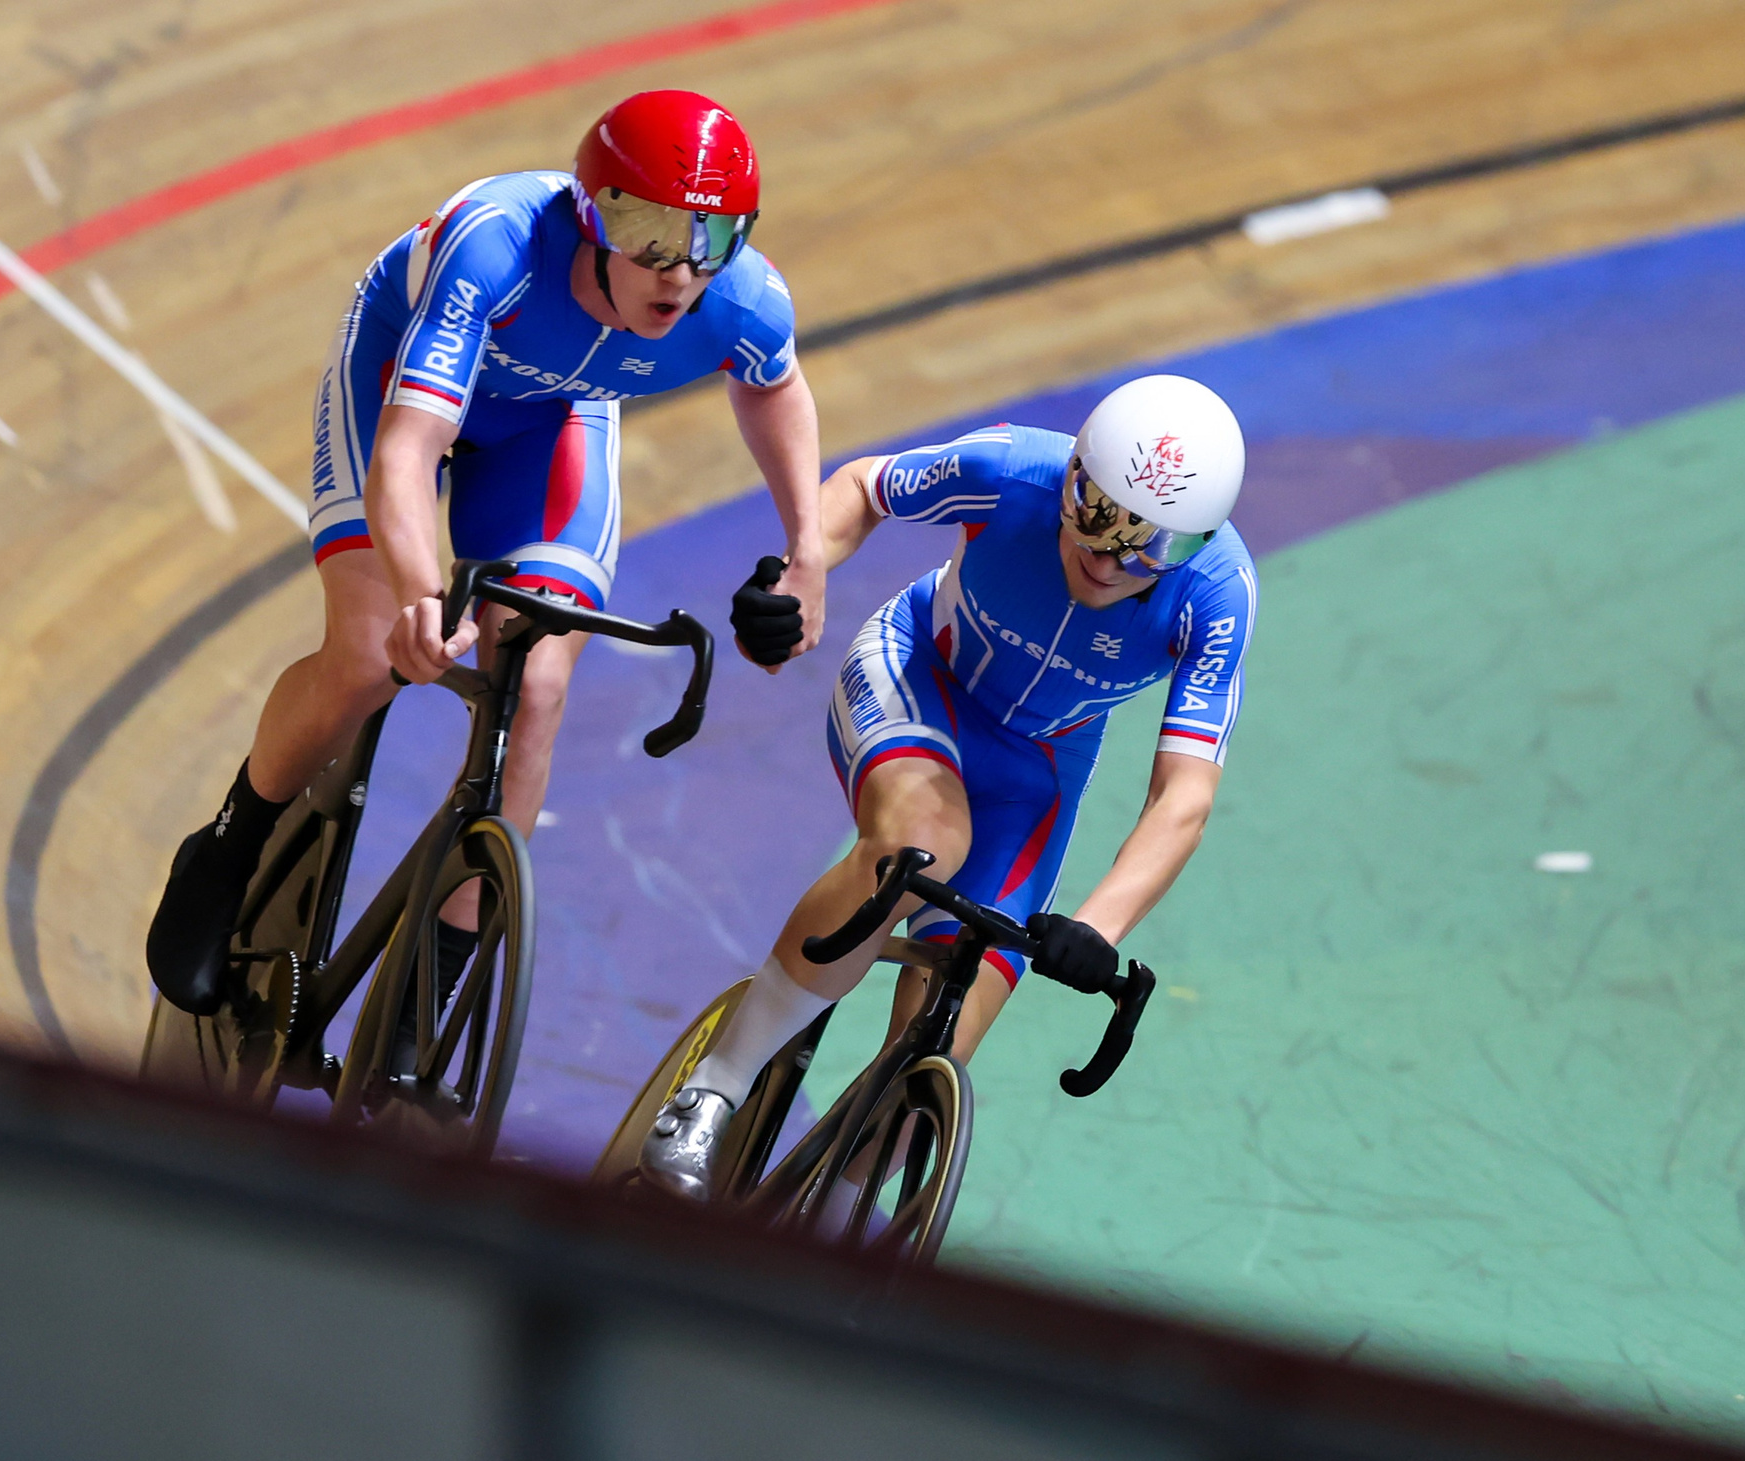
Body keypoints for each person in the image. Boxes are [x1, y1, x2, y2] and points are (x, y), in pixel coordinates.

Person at [146, 90, 828, 1014]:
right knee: (369, 645)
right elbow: (408, 449)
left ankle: (441, 973)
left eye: (712, 237)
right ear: (593, 216)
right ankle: (231, 840)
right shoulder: (497, 247)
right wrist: (424, 594)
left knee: (538, 678)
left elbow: (774, 390)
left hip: (552, 416)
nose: (681, 271)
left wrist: (807, 552)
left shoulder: (742, 300)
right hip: (403, 369)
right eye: (653, 235)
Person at [639, 374, 1256, 1199]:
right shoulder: (1010, 472)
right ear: (1072, 478)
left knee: (943, 1034)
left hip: (1035, 772)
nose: (1112, 559)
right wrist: (796, 575)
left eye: (1155, 545)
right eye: (1101, 517)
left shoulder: (1218, 596)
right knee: (923, 844)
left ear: (1201, 539)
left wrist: (1094, 926)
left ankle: (829, 1221)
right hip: (919, 677)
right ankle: (714, 1086)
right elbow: (863, 487)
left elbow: (1184, 795)